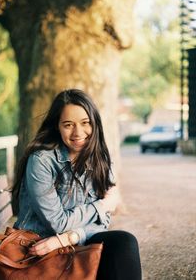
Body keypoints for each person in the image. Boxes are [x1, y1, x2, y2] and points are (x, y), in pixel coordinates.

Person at [13, 89, 142, 280]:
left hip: (71, 242)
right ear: (57, 126)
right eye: (68, 125)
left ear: (94, 123)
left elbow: (103, 221)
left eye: (85, 123)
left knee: (124, 242)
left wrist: (69, 238)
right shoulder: (41, 161)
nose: (78, 133)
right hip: (38, 247)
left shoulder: (101, 159)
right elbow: (58, 223)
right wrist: (103, 204)